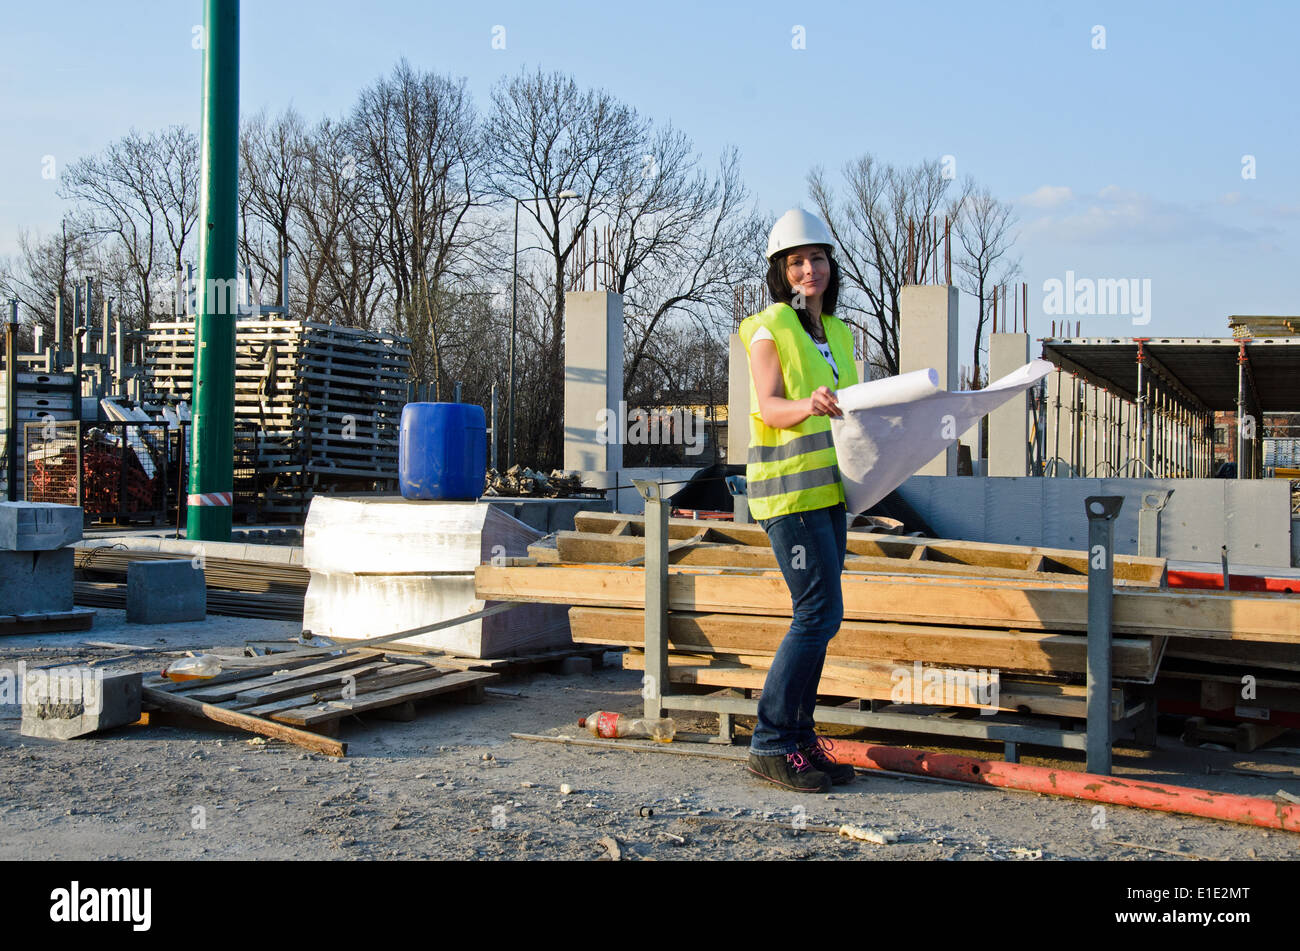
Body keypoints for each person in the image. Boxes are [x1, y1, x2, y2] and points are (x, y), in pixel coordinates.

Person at [740, 208, 858, 793]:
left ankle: (799, 739)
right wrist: (809, 405)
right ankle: (771, 741)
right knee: (814, 614)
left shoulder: (837, 333)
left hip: (830, 493)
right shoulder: (770, 329)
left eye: (817, 258)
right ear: (782, 272)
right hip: (788, 495)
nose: (809, 269)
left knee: (826, 616)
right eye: (796, 261)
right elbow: (769, 406)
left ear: (831, 265)